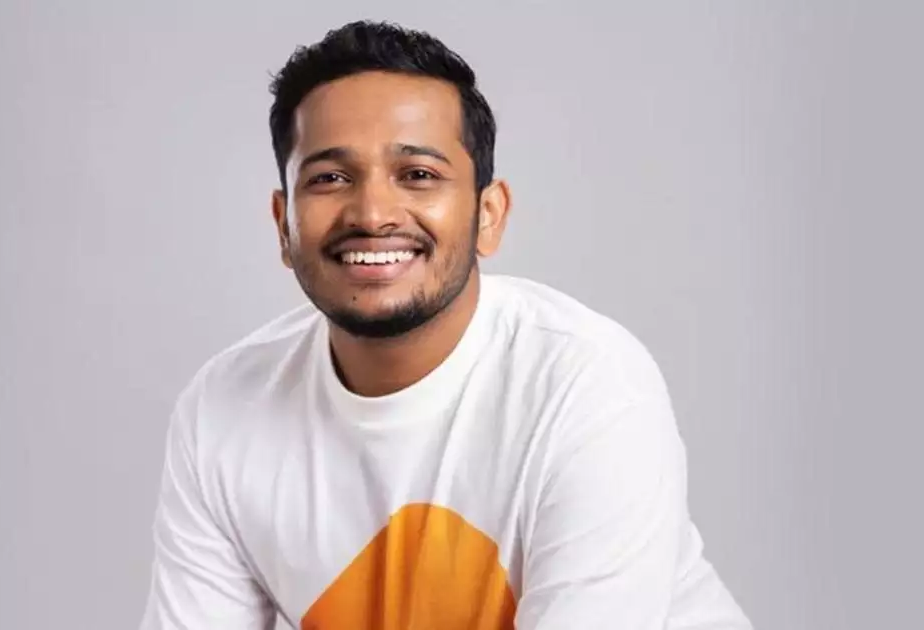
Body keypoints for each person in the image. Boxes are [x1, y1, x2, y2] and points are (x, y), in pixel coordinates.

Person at [139, 19, 752, 630]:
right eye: (330, 178)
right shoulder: (222, 410)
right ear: (283, 225)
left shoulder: (587, 385)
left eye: (418, 175)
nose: (373, 214)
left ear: (489, 215)